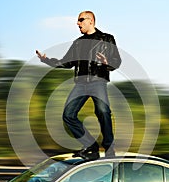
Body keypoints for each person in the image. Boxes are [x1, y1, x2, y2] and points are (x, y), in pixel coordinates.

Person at [36, 10, 121, 159]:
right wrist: (46, 60)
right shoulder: (78, 43)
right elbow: (66, 62)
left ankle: (109, 149)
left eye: (81, 20)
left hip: (98, 81)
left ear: (91, 21)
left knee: (103, 112)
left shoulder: (107, 39)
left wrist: (106, 63)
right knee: (68, 115)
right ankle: (91, 146)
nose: (78, 23)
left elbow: (117, 61)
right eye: (78, 21)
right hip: (81, 84)